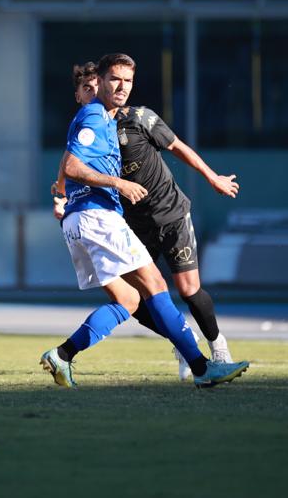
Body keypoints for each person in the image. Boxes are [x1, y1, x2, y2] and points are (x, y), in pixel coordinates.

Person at [40, 53, 249, 389]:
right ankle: (200, 366)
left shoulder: (110, 119)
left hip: (83, 221)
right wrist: (118, 183)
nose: (119, 87)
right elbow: (73, 167)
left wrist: (63, 198)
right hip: (99, 217)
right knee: (156, 286)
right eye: (112, 81)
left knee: (129, 300)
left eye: (127, 81)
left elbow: (67, 166)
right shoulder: (95, 116)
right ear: (94, 86)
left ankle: (63, 355)